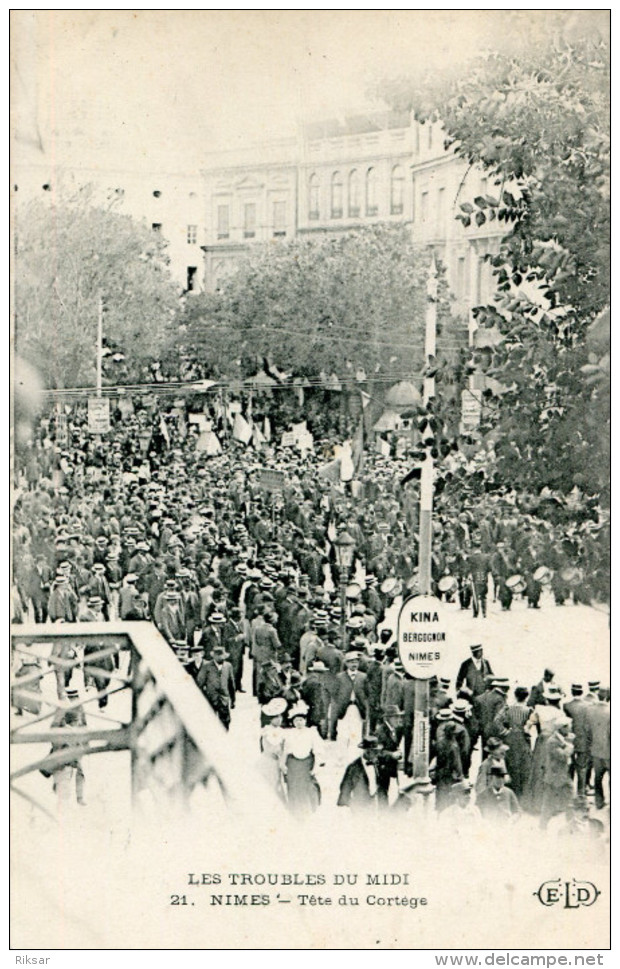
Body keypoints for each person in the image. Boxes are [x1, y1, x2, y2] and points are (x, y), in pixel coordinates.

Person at [280, 701, 323, 816]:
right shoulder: (289, 733)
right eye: (296, 720)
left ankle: (307, 812)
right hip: (293, 764)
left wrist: (316, 767)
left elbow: (318, 751)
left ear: (305, 720)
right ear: (293, 722)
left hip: (306, 763)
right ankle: (294, 812)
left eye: (301, 720)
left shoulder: (312, 732)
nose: (299, 722)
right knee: (293, 788)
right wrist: (283, 764)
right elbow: (285, 750)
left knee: (306, 788)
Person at [337, 737, 382, 812]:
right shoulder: (353, 767)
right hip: (359, 808)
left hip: (373, 807)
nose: (377, 754)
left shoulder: (376, 765)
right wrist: (350, 806)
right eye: (375, 752)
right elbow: (345, 789)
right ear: (367, 751)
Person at [196, 645, 236, 730]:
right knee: (210, 722)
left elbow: (231, 684)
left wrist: (233, 700)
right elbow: (200, 684)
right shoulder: (207, 666)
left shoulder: (228, 666)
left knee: (225, 721)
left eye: (222, 656)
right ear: (214, 656)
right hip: (211, 698)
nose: (221, 658)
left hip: (224, 699)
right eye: (219, 656)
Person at [585, 688, 610, 810]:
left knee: (597, 778)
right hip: (609, 752)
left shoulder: (590, 710)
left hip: (595, 750)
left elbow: (587, 731)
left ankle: (599, 802)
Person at [375, 704, 404, 805]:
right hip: (381, 767)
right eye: (396, 717)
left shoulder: (394, 730)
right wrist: (392, 754)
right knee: (382, 792)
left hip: (390, 766)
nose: (398, 719)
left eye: (399, 716)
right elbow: (378, 752)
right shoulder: (381, 732)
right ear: (389, 718)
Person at [259, 697, 287, 800]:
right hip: (269, 761)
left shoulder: (279, 730)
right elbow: (275, 747)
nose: (280, 719)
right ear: (271, 719)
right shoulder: (268, 731)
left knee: (277, 782)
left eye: (280, 716)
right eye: (276, 717)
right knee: (271, 783)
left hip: (275, 761)